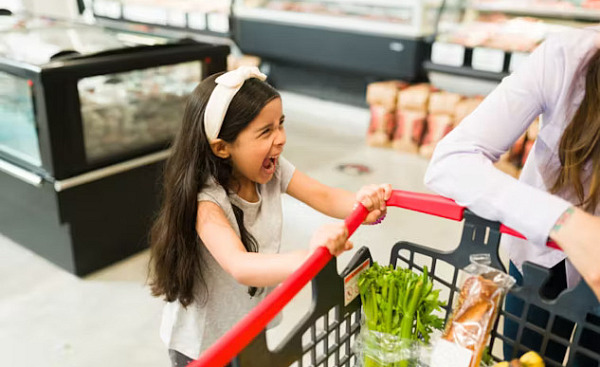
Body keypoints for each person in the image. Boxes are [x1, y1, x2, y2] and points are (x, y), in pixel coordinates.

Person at [148, 66, 392, 367]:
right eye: (266, 131)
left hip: (248, 327)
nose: (281, 138)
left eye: (281, 124)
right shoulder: (206, 202)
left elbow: (326, 197)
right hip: (204, 346)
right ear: (222, 148)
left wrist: (365, 205)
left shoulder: (273, 170)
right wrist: (313, 255)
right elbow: (241, 266)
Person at [425, 28, 600, 363]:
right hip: (542, 262)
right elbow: (450, 161)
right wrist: (563, 221)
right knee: (526, 356)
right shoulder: (566, 58)